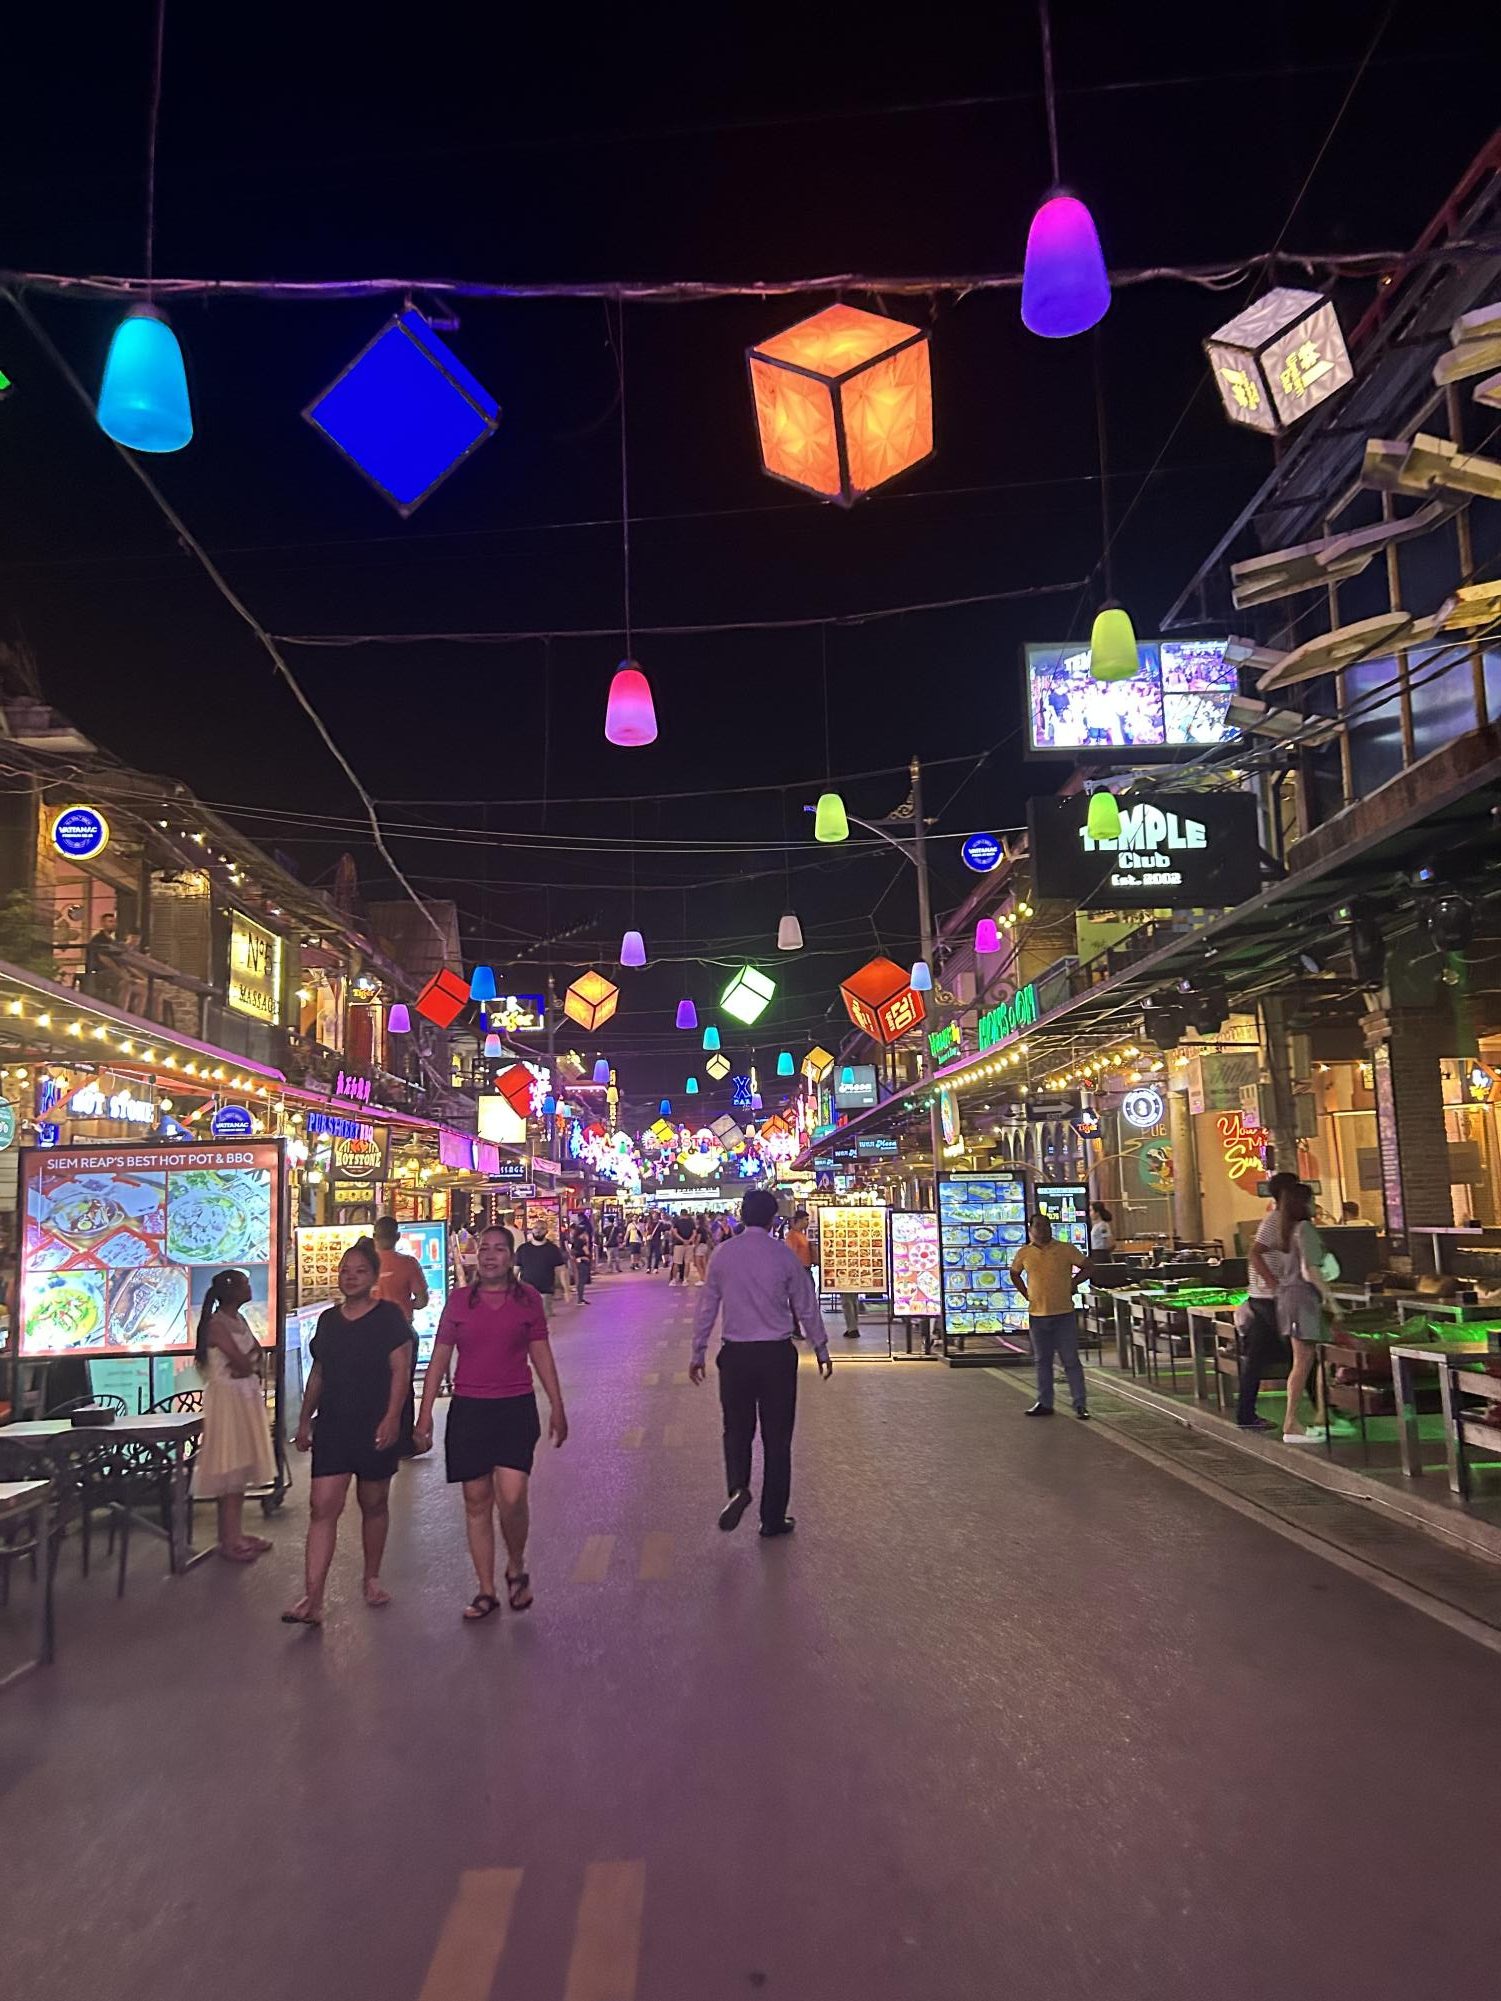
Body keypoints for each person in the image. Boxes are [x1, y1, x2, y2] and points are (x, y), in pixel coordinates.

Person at [414, 1225, 568, 1618]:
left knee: (513, 1497)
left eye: (499, 1249)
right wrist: (424, 1413)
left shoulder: (528, 1300)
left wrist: (557, 1405)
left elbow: (541, 1353)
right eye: (484, 1249)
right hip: (469, 1409)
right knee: (476, 1500)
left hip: (514, 1407)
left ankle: (515, 1566)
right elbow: (440, 1358)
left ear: (511, 1258)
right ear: (475, 1255)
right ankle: (486, 1589)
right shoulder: (460, 1302)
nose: (490, 1256)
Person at [283, 1238, 413, 1624]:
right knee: (322, 1506)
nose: (350, 1277)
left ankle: (371, 1576)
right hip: (334, 1426)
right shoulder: (328, 1320)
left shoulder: (389, 1317)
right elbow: (319, 1373)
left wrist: (392, 1417)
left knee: (373, 1503)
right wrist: (305, 1419)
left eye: (359, 1272)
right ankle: (313, 1598)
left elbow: (401, 1370)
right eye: (345, 1271)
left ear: (373, 1277)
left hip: (374, 1425)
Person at [691, 1188, 831, 1538]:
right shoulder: (782, 1255)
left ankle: (738, 1486)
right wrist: (821, 1347)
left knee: (736, 1430)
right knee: (777, 1438)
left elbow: (708, 1306)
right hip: (776, 1356)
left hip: (736, 1355)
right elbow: (805, 1304)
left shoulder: (723, 1255)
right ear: (773, 1219)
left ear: (741, 1214)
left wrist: (697, 1351)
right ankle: (772, 1518)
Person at [191, 1269, 275, 1563]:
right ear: (233, 1291)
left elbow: (256, 1355)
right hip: (228, 1401)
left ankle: (235, 1533)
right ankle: (228, 1538)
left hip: (242, 1396)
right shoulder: (216, 1325)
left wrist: (247, 1365)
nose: (249, 1288)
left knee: (239, 1465)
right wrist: (247, 1365)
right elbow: (243, 1360)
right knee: (230, 1463)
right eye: (245, 1284)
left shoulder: (238, 1319)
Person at [1276, 1182, 1342, 1445]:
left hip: (1291, 1299)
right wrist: (1330, 1298)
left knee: (1312, 1359)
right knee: (1303, 1362)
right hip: (1304, 1300)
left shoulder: (1288, 1231)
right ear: (1301, 1203)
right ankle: (1291, 1423)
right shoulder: (1305, 1229)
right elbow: (1310, 1270)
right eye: (1311, 1200)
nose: (1315, 1204)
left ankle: (1321, 1415)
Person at [1009, 1213, 1093, 1419]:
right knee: (1042, 1360)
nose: (1043, 1230)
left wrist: (1073, 1284)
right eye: (1038, 1226)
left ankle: (1080, 1403)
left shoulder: (1065, 1249)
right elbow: (1014, 1273)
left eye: (1046, 1226)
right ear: (1030, 1229)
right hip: (1038, 1314)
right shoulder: (1024, 1253)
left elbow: (1089, 1266)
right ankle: (1044, 1402)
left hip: (1063, 1313)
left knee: (1071, 1360)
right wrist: (1025, 1293)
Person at [1238, 1170, 1302, 1431]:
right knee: (1301, 1353)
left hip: (1264, 1297)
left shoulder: (1283, 1222)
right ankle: (1323, 1411)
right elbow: (1255, 1253)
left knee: (1257, 1359)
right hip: (1268, 1299)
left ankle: (1245, 1415)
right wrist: (1274, 1285)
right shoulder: (1275, 1221)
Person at [372, 1215, 429, 1456]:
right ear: (397, 1237)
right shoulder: (408, 1263)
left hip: (370, 1332)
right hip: (402, 1331)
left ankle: (374, 1438)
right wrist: (407, 1304)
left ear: (375, 1238)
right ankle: (403, 1442)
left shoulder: (367, 1264)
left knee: (374, 1385)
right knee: (403, 1385)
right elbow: (422, 1299)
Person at [517, 1222, 565, 1320]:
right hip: (526, 1292)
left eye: (542, 1228)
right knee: (526, 1319)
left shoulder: (552, 1249)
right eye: (536, 1227)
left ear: (546, 1231)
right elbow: (515, 1270)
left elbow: (561, 1270)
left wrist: (564, 1289)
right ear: (532, 1230)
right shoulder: (523, 1249)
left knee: (542, 1320)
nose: (538, 1230)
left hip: (545, 1291)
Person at [567, 1214, 593, 1304]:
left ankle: (580, 1298)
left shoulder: (574, 1241)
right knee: (582, 1280)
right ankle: (580, 1299)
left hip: (577, 1261)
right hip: (583, 1261)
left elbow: (572, 1251)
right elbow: (587, 1252)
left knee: (579, 1280)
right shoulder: (581, 1242)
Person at [453, 1222, 479, 1289]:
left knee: (468, 1278)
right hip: (470, 1259)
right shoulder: (467, 1235)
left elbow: (463, 1248)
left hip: (467, 1259)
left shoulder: (464, 1234)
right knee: (471, 1278)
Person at [669, 1215, 694, 1285]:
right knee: (687, 1263)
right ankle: (685, 1280)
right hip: (689, 1244)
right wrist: (689, 1241)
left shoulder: (677, 1222)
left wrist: (682, 1240)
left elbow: (675, 1232)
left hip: (679, 1244)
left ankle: (673, 1280)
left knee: (676, 1262)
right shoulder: (691, 1223)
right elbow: (694, 1233)